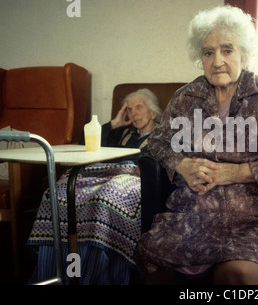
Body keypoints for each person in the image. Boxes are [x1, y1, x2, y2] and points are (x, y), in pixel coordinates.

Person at [133, 5, 258, 285]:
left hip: (254, 214)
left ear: (243, 54)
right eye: (208, 52)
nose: (217, 60)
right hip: (193, 214)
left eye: (227, 50)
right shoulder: (187, 97)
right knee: (152, 265)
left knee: (235, 275)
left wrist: (242, 172)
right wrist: (182, 164)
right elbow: (159, 141)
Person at [27, 88, 162, 285]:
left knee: (104, 199)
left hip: (132, 178)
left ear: (153, 112)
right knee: (58, 193)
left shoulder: (163, 135)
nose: (133, 113)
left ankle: (92, 276)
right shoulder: (121, 133)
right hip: (102, 173)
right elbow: (84, 146)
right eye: (129, 109)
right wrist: (114, 123)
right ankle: (58, 272)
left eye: (138, 107)